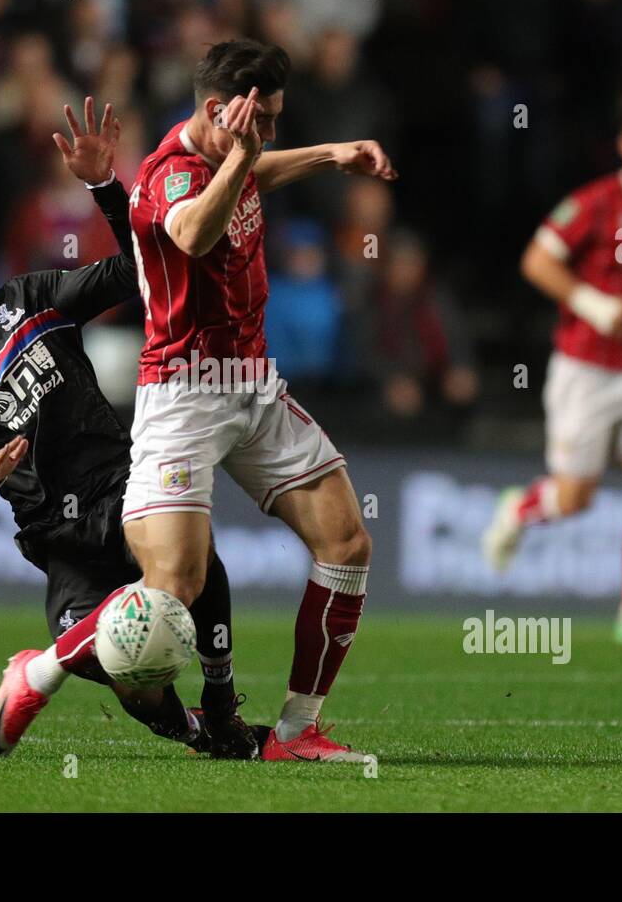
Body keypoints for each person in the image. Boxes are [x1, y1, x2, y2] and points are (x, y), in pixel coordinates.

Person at [0, 99, 261, 759]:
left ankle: (223, 703)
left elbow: (144, 270)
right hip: (56, 538)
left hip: (124, 488)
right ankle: (195, 732)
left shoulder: (28, 301)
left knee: (196, 564)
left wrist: (105, 188)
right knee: (122, 668)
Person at [122, 39, 398, 761]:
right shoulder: (170, 175)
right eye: (261, 120)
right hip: (183, 394)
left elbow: (256, 172)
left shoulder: (232, 157)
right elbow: (189, 232)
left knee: (346, 544)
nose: (267, 135)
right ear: (219, 111)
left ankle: (296, 729)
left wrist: (333, 153)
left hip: (252, 386)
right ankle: (52, 663)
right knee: (176, 583)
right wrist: (245, 159)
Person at [481, 93, 622, 646]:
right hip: (586, 368)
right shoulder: (596, 203)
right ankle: (520, 507)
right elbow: (536, 260)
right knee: (575, 497)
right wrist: (593, 304)